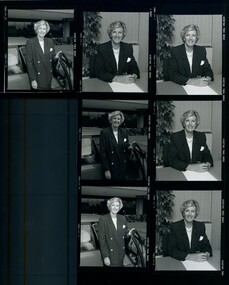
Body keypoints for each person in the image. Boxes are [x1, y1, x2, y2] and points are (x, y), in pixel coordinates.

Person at [98, 197, 133, 267]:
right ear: (110, 206)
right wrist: (105, 256)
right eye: (113, 205)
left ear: (119, 207)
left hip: (121, 253)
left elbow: (124, 234)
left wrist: (128, 234)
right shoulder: (103, 219)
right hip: (110, 255)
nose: (115, 207)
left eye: (117, 206)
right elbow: (102, 240)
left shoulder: (123, 218)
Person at [26, 20, 60, 90]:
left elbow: (52, 58)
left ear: (46, 30)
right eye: (40, 28)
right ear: (37, 30)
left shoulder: (50, 41)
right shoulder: (30, 42)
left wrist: (55, 57)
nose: (42, 31)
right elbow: (29, 63)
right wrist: (33, 80)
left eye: (44, 29)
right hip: (37, 79)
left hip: (48, 77)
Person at [100, 110, 130, 180]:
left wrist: (130, 148)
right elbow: (103, 153)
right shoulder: (105, 132)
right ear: (111, 120)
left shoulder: (124, 131)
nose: (116, 121)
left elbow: (125, 149)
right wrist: (106, 170)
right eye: (114, 118)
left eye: (118, 119)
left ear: (121, 120)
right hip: (111, 168)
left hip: (122, 167)